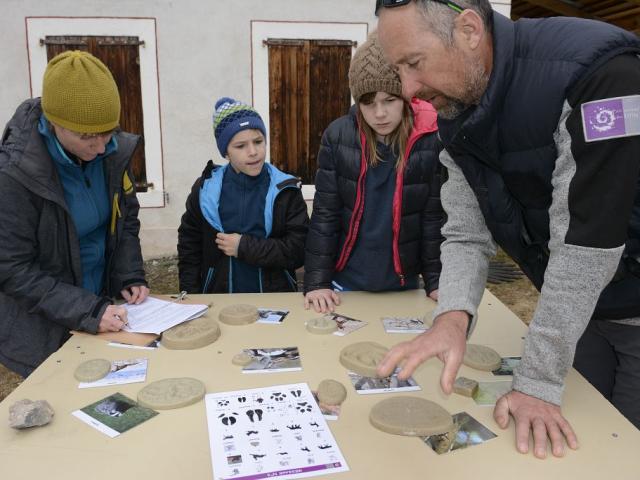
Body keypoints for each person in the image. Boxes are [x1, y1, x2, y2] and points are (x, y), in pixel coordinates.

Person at [375, 0, 640, 458]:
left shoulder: (601, 77)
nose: (409, 89)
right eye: (399, 68)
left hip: (623, 298)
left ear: (470, 30)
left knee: (619, 451)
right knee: (572, 443)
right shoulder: (458, 110)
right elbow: (463, 232)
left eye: (414, 64)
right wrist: (453, 316)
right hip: (584, 312)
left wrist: (537, 378)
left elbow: (586, 244)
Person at [0, 51, 149, 377]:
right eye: (86, 136)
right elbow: (12, 269)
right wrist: (88, 310)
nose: (100, 147)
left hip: (102, 308)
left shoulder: (112, 154)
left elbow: (124, 220)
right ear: (54, 124)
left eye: (108, 131)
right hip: (44, 327)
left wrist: (129, 274)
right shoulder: (14, 175)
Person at [303, 31, 445, 313]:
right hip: (343, 283)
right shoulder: (338, 136)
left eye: (389, 100)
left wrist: (436, 280)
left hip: (403, 283)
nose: (379, 113)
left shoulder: (430, 139)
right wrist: (317, 281)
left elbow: (433, 218)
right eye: (368, 103)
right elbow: (325, 214)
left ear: (405, 96)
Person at [177, 97, 308, 293]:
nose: (253, 152)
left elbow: (299, 250)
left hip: (275, 302)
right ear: (225, 152)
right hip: (220, 301)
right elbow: (190, 247)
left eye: (258, 141)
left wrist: (243, 247)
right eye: (240, 146)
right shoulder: (205, 190)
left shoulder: (285, 190)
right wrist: (189, 295)